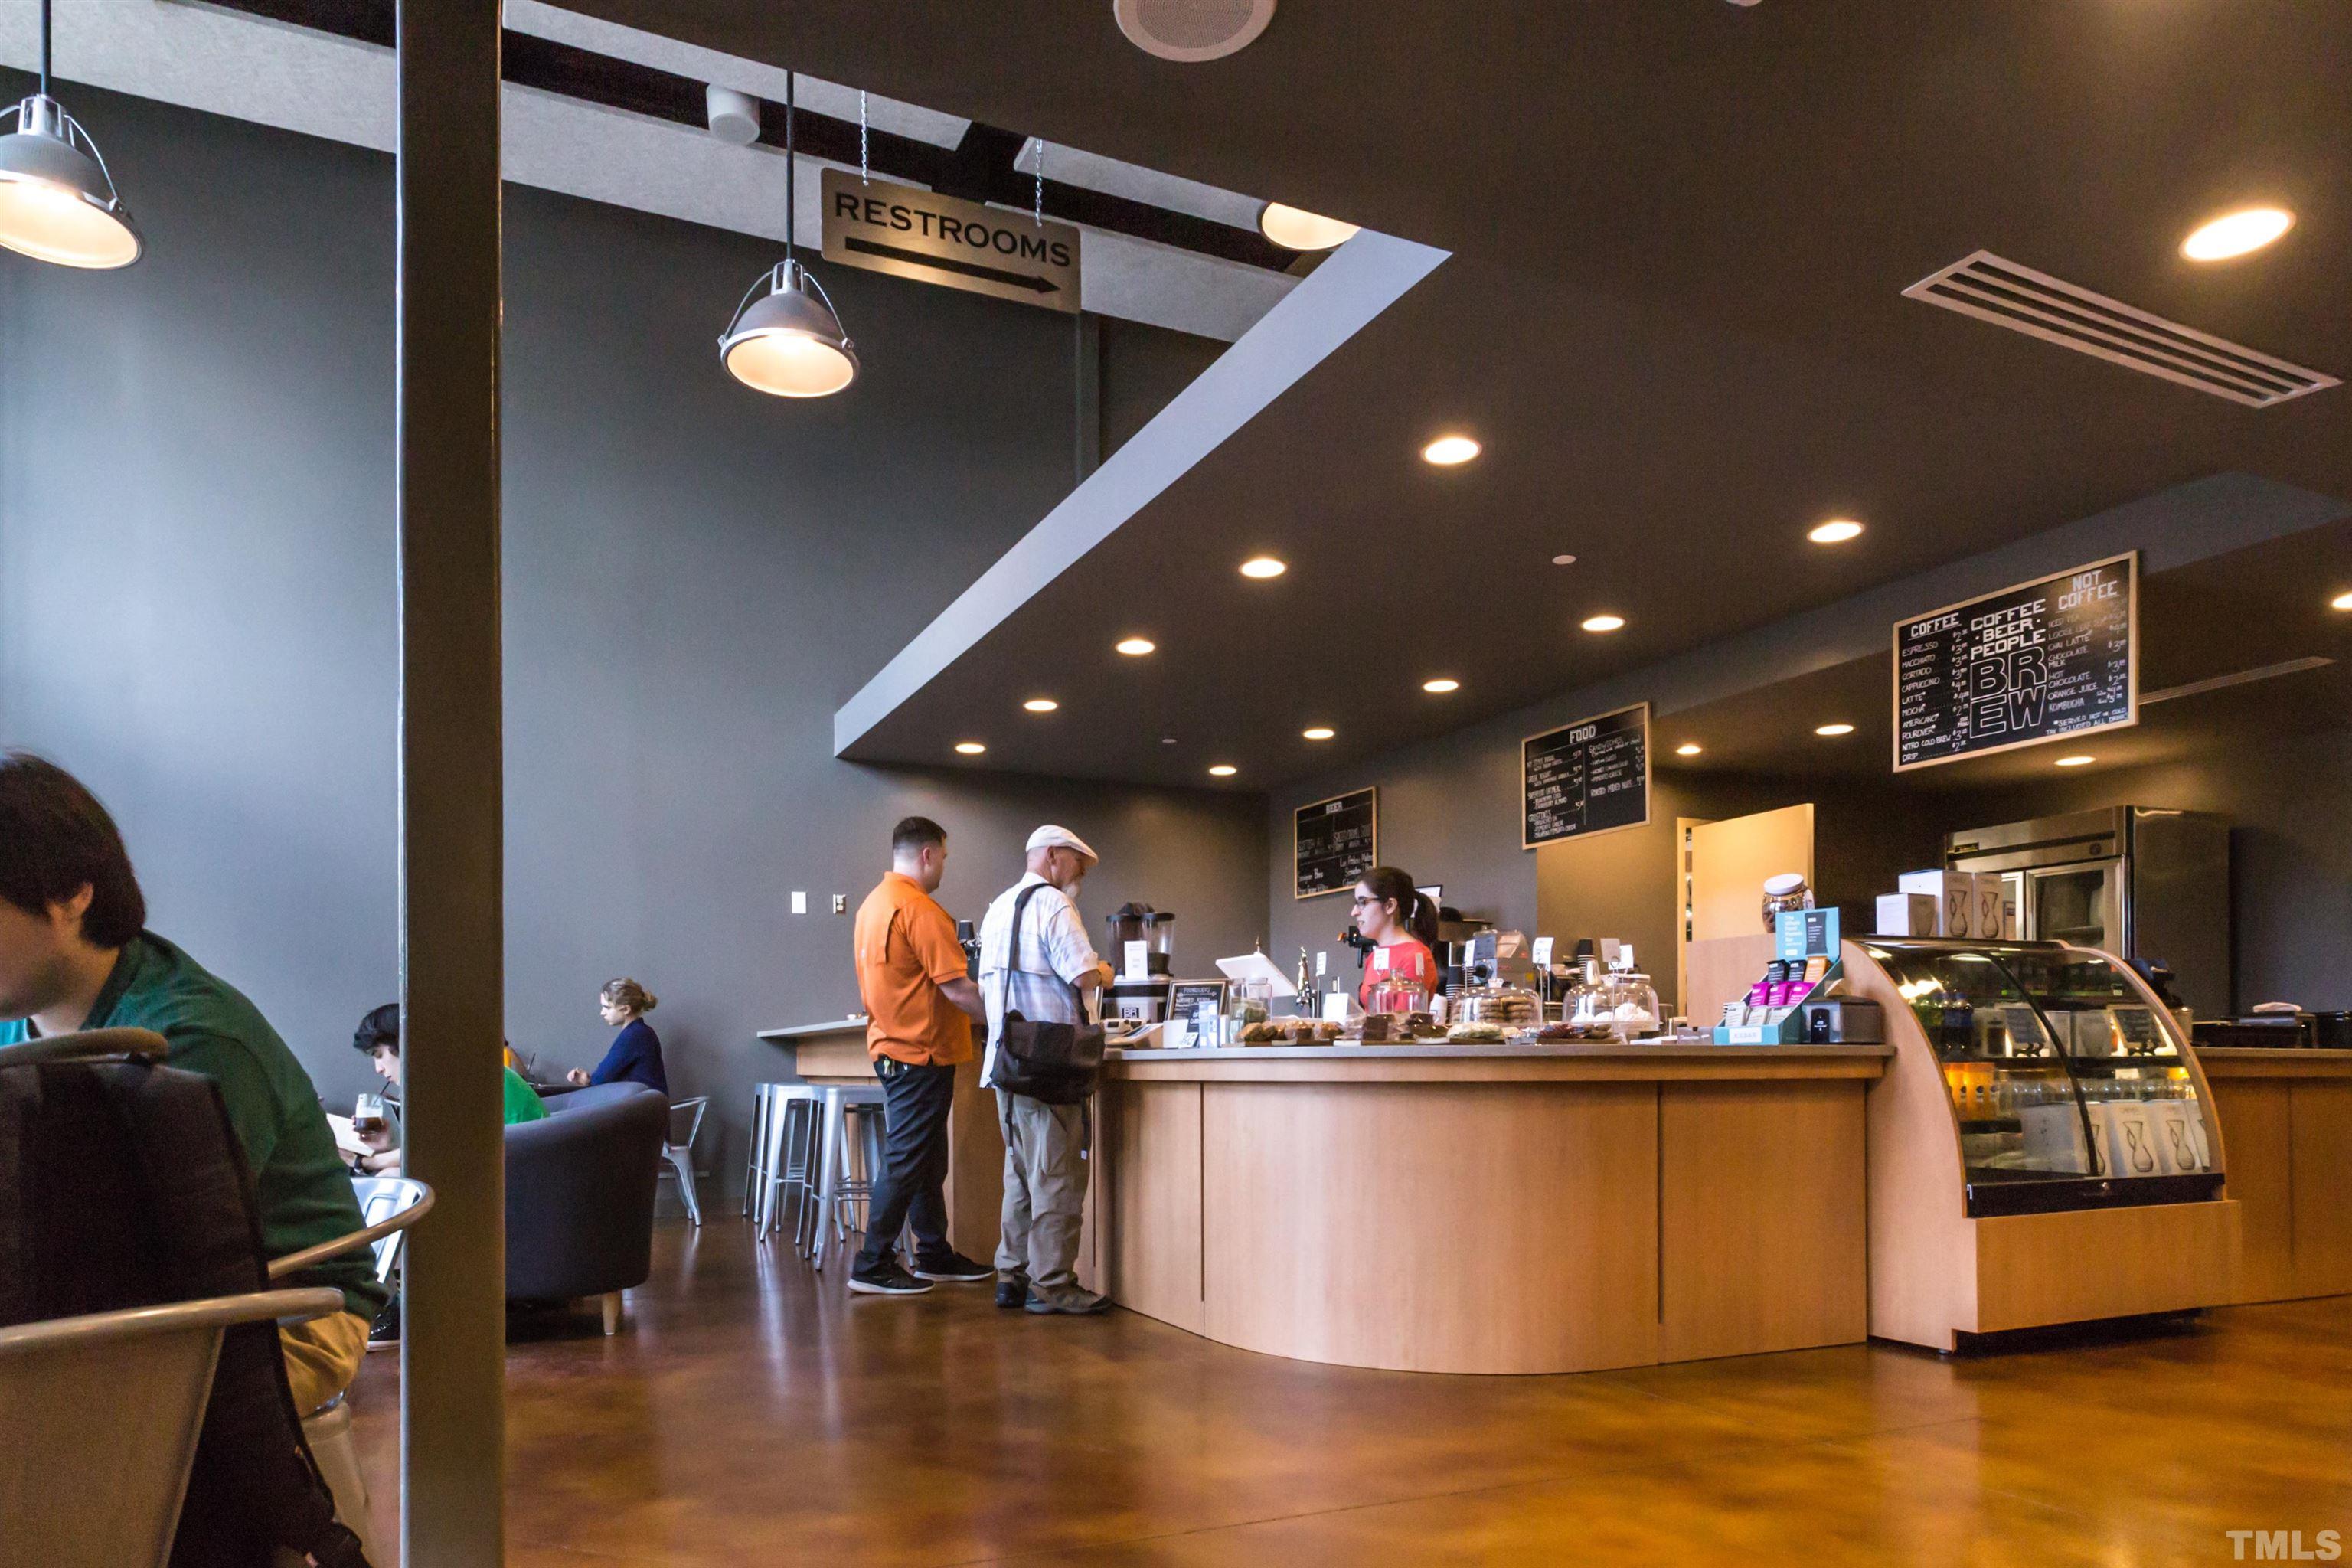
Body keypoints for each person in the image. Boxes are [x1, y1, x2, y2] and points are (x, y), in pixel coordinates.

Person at [0, 753, 384, 1412]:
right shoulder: (19, 1024)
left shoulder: (192, 1044)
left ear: (70, 894)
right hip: (128, 1302)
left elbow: (144, 1254)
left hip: (281, 1313)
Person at [845, 817, 995, 1295]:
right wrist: (1008, 1021)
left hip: (892, 1048)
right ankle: (872, 1263)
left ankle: (932, 1253)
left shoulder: (872, 906)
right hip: (921, 1052)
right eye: (944, 857)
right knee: (908, 1159)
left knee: (926, 1159)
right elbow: (958, 988)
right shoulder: (920, 909)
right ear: (928, 854)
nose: (944, 866)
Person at [978, 825, 1116, 1315]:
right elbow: (1083, 973)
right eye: (1079, 864)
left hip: (1006, 1062)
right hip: (1050, 1067)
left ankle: (1011, 1275)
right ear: (1054, 856)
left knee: (1020, 1174)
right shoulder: (1054, 905)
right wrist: (1105, 971)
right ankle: (1054, 1283)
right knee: (1058, 1177)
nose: (1082, 875)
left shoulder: (998, 908)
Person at [350, 1004, 549, 1177]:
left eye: (379, 1055)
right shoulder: (459, 1066)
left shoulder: (453, 1079)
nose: (378, 1069)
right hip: (525, 1171)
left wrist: (363, 1162)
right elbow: (438, 1152)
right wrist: (391, 1144)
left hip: (515, 1181)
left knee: (391, 1179)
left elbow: (438, 1157)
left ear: (403, 1041)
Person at [1352, 865, 1442, 1010]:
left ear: (1390, 905)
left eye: (1363, 903)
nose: (1354, 912)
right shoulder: (1374, 957)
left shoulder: (1415, 956)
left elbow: (1403, 1020)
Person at [567, 977, 668, 1093]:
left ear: (626, 1009)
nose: (602, 1013)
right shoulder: (642, 1032)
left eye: (607, 1007)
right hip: (649, 1100)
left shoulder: (633, 1036)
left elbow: (599, 1079)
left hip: (644, 1102)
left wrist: (585, 1080)